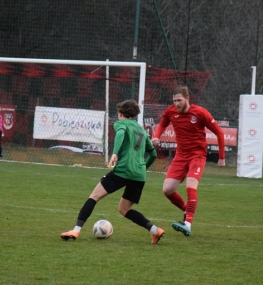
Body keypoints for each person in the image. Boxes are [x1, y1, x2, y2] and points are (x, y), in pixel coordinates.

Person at [61, 99, 164, 244]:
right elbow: (153, 154)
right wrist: (142, 169)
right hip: (139, 175)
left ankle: (76, 230)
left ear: (121, 113)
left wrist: (115, 153)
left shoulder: (120, 124)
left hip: (123, 170)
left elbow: (121, 133)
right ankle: (155, 230)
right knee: (124, 209)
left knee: (94, 196)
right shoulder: (141, 129)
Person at [152, 86, 225, 236]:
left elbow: (219, 132)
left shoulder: (200, 112)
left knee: (190, 186)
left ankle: (188, 224)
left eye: (179, 100)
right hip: (180, 156)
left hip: (197, 156)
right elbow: (163, 124)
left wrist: (222, 157)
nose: (176, 103)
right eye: (174, 100)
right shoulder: (171, 111)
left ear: (187, 99)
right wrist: (156, 136)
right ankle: (187, 210)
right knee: (167, 190)